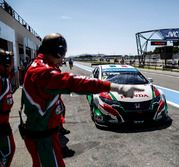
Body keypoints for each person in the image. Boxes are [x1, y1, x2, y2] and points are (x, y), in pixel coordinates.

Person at [20, 33, 143, 167]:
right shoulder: (43, 72)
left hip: (42, 134)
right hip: (43, 139)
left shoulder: (39, 65)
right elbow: (76, 82)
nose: (63, 60)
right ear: (58, 52)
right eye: (63, 54)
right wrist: (117, 87)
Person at [0, 49, 15, 167]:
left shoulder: (5, 79)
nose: (13, 64)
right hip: (1, 126)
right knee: (7, 153)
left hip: (4, 124)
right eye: (10, 61)